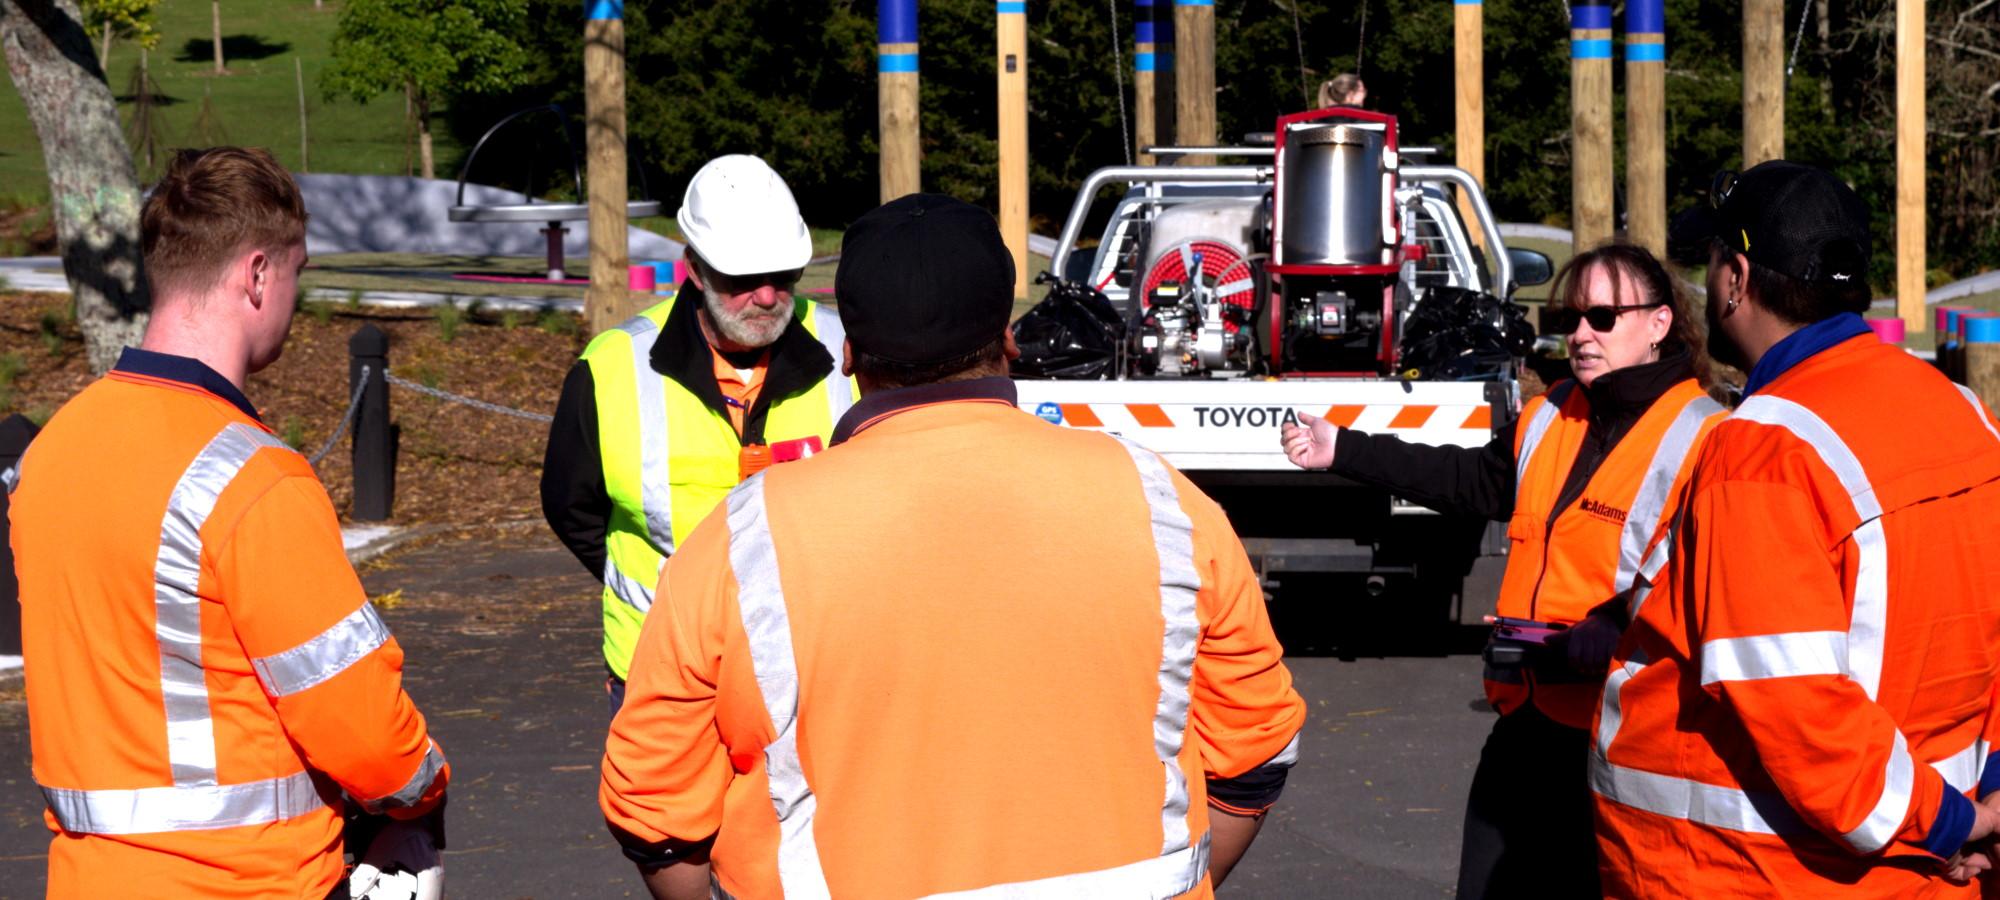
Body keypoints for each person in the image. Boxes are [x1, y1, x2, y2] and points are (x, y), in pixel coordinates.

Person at [599, 194, 1308, 899]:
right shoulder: (1163, 503)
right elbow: (1257, 751)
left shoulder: (739, 540)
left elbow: (655, 814)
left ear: (847, 353)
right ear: (1008, 335)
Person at [9, 147, 449, 899]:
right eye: (297, 270)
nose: (295, 295)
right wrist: (426, 783)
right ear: (256, 274)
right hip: (248, 881)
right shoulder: (252, 480)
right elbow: (365, 733)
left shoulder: (52, 453)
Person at [1591, 161, 2000, 895]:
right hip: (1925, 867)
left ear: (1736, 279)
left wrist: (1950, 823)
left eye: (1710, 264)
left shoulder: (1762, 450)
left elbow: (1795, 702)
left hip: (1766, 871)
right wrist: (1986, 798)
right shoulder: (1962, 414)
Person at [1281, 243, 1725, 898]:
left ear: (1659, 323)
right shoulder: (1550, 415)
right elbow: (1470, 481)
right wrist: (1342, 447)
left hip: (1631, 743)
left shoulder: (1707, 433)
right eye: (1569, 320)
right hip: (1528, 723)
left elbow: (1703, 584)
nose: (1580, 336)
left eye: (1602, 318)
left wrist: (1609, 636)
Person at [541, 154, 855, 716]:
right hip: (665, 675)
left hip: (814, 670)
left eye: (783, 277)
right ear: (695, 268)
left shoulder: (847, 351)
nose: (766, 297)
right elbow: (571, 506)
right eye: (742, 279)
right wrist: (671, 595)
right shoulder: (612, 367)